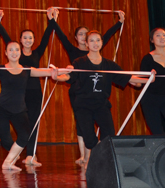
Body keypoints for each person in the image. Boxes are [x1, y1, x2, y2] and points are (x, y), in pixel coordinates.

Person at [0, 41, 68, 171]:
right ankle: (11, 159)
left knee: (25, 135)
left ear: (20, 52)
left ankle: (7, 162)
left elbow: (46, 72)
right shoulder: (1, 69)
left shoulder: (27, 70)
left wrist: (66, 70)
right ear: (6, 53)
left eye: (16, 49)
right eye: (10, 50)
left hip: (19, 110)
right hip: (1, 110)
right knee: (6, 141)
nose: (14, 52)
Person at [67, 30, 152, 167]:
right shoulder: (79, 62)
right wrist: (56, 75)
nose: (95, 43)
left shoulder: (109, 65)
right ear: (86, 44)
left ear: (102, 43)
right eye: (92, 40)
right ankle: (95, 154)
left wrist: (149, 79)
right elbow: (68, 77)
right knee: (89, 137)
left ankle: (99, 158)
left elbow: (128, 78)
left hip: (101, 104)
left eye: (98, 40)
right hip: (83, 105)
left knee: (109, 134)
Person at [50, 11, 124, 165]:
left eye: (86, 34)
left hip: (95, 93)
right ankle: (84, 156)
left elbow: (107, 35)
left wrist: (119, 23)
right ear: (78, 38)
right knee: (83, 123)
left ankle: (89, 156)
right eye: (81, 34)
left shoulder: (100, 56)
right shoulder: (75, 53)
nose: (84, 37)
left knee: (96, 123)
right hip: (78, 90)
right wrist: (53, 21)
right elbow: (62, 36)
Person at [0, 7, 57, 166]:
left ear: (33, 40)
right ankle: (15, 152)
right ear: (20, 40)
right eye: (25, 38)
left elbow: (47, 36)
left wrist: (52, 19)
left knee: (33, 125)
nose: (28, 40)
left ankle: (30, 156)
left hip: (34, 94)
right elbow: (4, 35)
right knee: (22, 127)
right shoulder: (15, 52)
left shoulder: (37, 53)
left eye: (30, 38)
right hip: (18, 95)